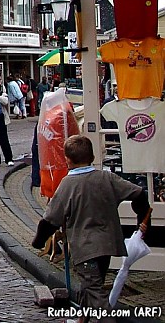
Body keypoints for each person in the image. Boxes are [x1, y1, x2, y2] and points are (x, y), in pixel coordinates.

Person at [32, 135, 151, 316]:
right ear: (93, 157)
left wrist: (38, 241)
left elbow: (50, 220)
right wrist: (142, 220)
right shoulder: (106, 178)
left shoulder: (67, 184)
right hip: (108, 245)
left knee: (96, 294)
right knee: (90, 287)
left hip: (85, 248)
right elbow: (139, 194)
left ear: (67, 160)